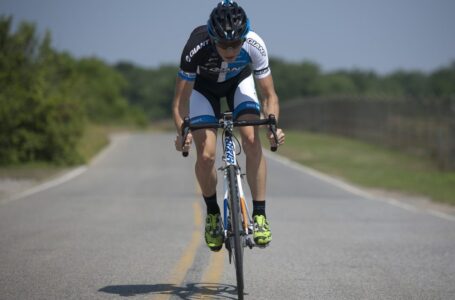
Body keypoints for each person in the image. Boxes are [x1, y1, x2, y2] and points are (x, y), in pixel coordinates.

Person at [172, 0, 285, 251]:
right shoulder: (195, 47)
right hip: (204, 88)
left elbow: (269, 96)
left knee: (253, 140)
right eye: (223, 44)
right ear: (213, 39)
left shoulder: (255, 44)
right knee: (206, 155)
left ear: (245, 38)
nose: (230, 49)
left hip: (238, 83)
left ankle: (259, 215)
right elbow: (179, 104)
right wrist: (183, 132)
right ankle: (213, 214)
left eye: (236, 43)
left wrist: (272, 125)